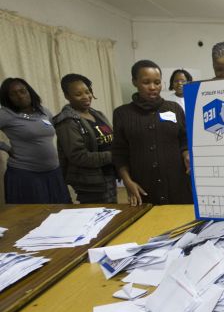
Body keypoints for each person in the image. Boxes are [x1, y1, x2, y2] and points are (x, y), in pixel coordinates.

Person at [112, 59, 192, 206]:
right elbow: (119, 152)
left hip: (178, 185)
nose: (153, 87)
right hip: (143, 188)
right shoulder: (122, 114)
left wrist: (186, 154)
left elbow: (184, 140)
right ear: (134, 82)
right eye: (146, 82)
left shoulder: (174, 108)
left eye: (157, 82)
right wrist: (128, 182)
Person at [0, 78, 70, 204]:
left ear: (29, 91)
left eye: (22, 91)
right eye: (13, 94)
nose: (20, 96)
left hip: (53, 173)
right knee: (34, 218)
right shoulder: (6, 114)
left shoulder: (43, 111)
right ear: (7, 98)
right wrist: (6, 147)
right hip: (26, 176)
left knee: (60, 214)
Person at [53, 74, 116, 204]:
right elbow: (78, 156)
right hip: (89, 182)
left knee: (112, 213)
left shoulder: (97, 114)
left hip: (107, 175)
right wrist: (113, 156)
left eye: (88, 92)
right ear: (67, 96)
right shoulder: (67, 122)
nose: (86, 97)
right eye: (78, 94)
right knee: (98, 218)